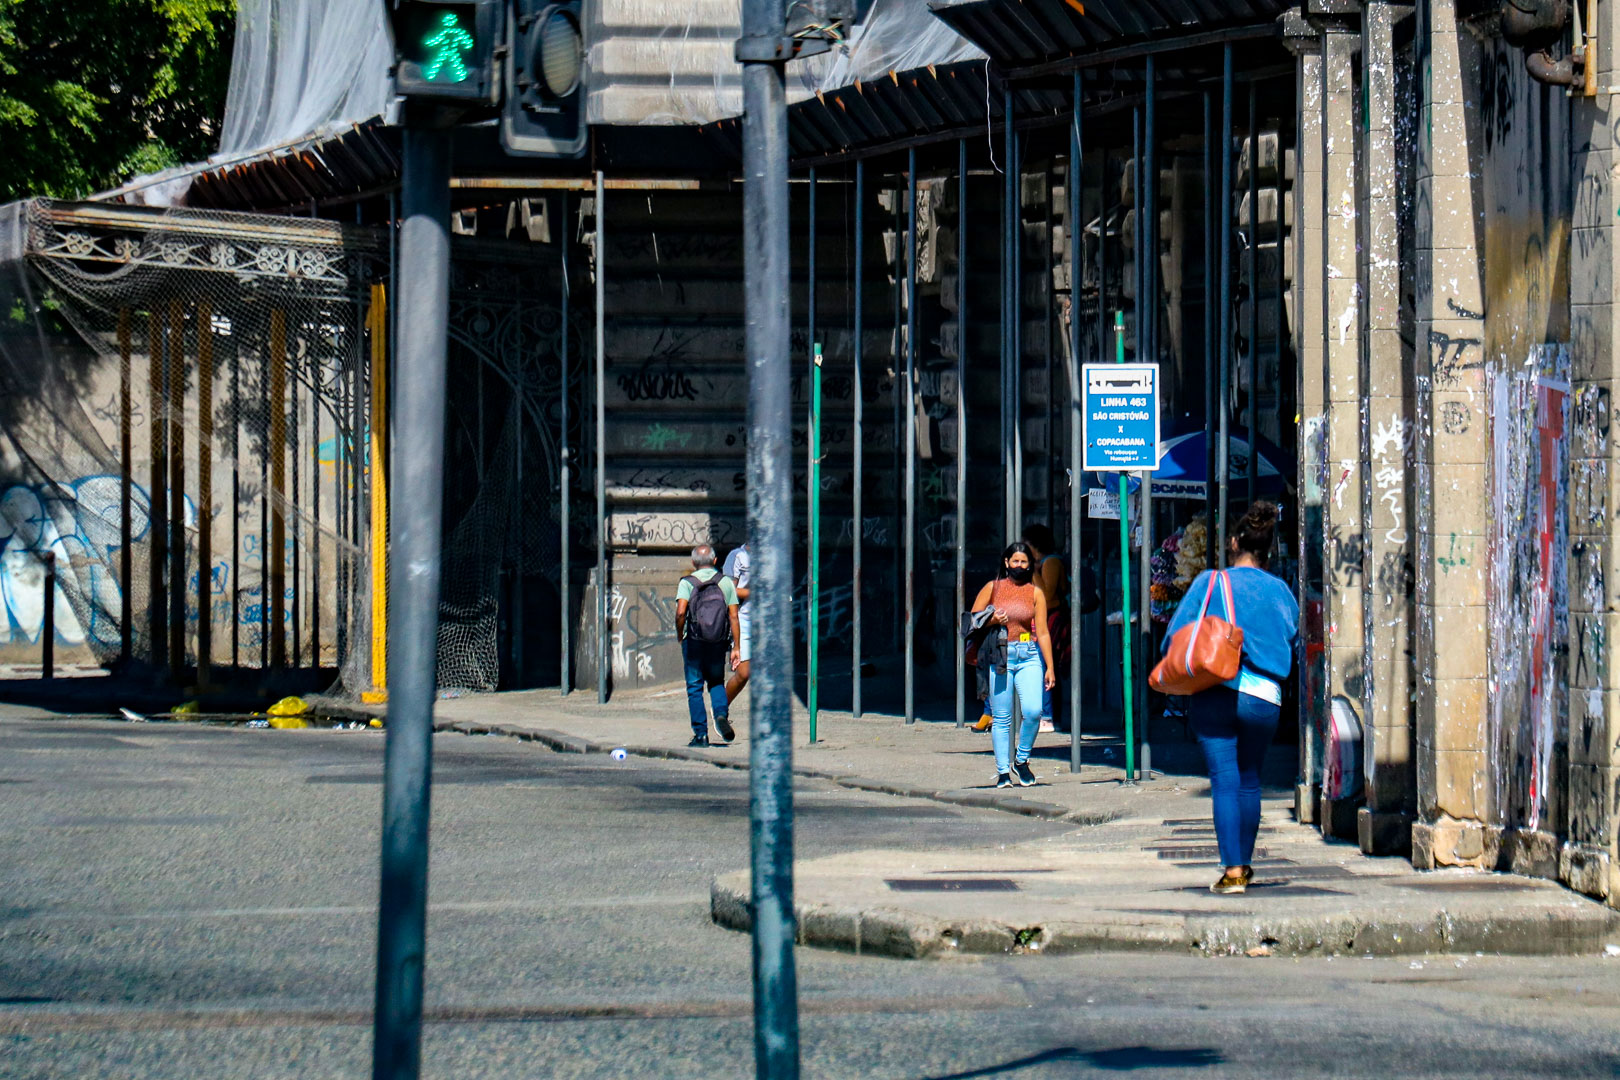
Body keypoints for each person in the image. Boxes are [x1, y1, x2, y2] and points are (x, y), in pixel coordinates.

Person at [1162, 502, 1298, 895]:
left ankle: (1233, 870)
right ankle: (1245, 865)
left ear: (1234, 542)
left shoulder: (1212, 582)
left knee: (1224, 780)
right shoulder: (1281, 591)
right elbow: (1291, 635)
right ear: (1268, 549)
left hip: (1217, 692)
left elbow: (1175, 635)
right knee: (1250, 780)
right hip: (1265, 697)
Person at [969, 542, 1057, 788]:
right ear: (1006, 562)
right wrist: (993, 618)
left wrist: (1050, 667)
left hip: (1029, 653)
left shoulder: (1035, 593)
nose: (1019, 565)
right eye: (1015, 561)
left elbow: (1043, 632)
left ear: (1030, 565)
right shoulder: (993, 587)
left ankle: (1021, 759)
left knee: (1034, 711)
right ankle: (1002, 772)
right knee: (1002, 717)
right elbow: (972, 620)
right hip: (1001, 654)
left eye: (1024, 562)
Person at [675, 544, 741, 748]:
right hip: (717, 641)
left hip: (694, 641)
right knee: (716, 682)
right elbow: (733, 616)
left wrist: (680, 634)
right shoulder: (725, 582)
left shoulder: (687, 583)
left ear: (693, 562)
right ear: (715, 561)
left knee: (695, 687)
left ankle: (701, 735)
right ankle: (720, 714)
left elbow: (680, 612)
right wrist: (736, 646)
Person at [1021, 524, 1067, 733]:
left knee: (1046, 664)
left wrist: (1033, 571)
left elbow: (1046, 595)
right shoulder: (1045, 563)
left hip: (1051, 619)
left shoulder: (1051, 562)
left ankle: (1048, 715)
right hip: (1044, 619)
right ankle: (1048, 714)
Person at [722, 542, 750, 703]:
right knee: (743, 673)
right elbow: (728, 589)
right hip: (745, 619)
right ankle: (721, 707)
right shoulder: (737, 556)